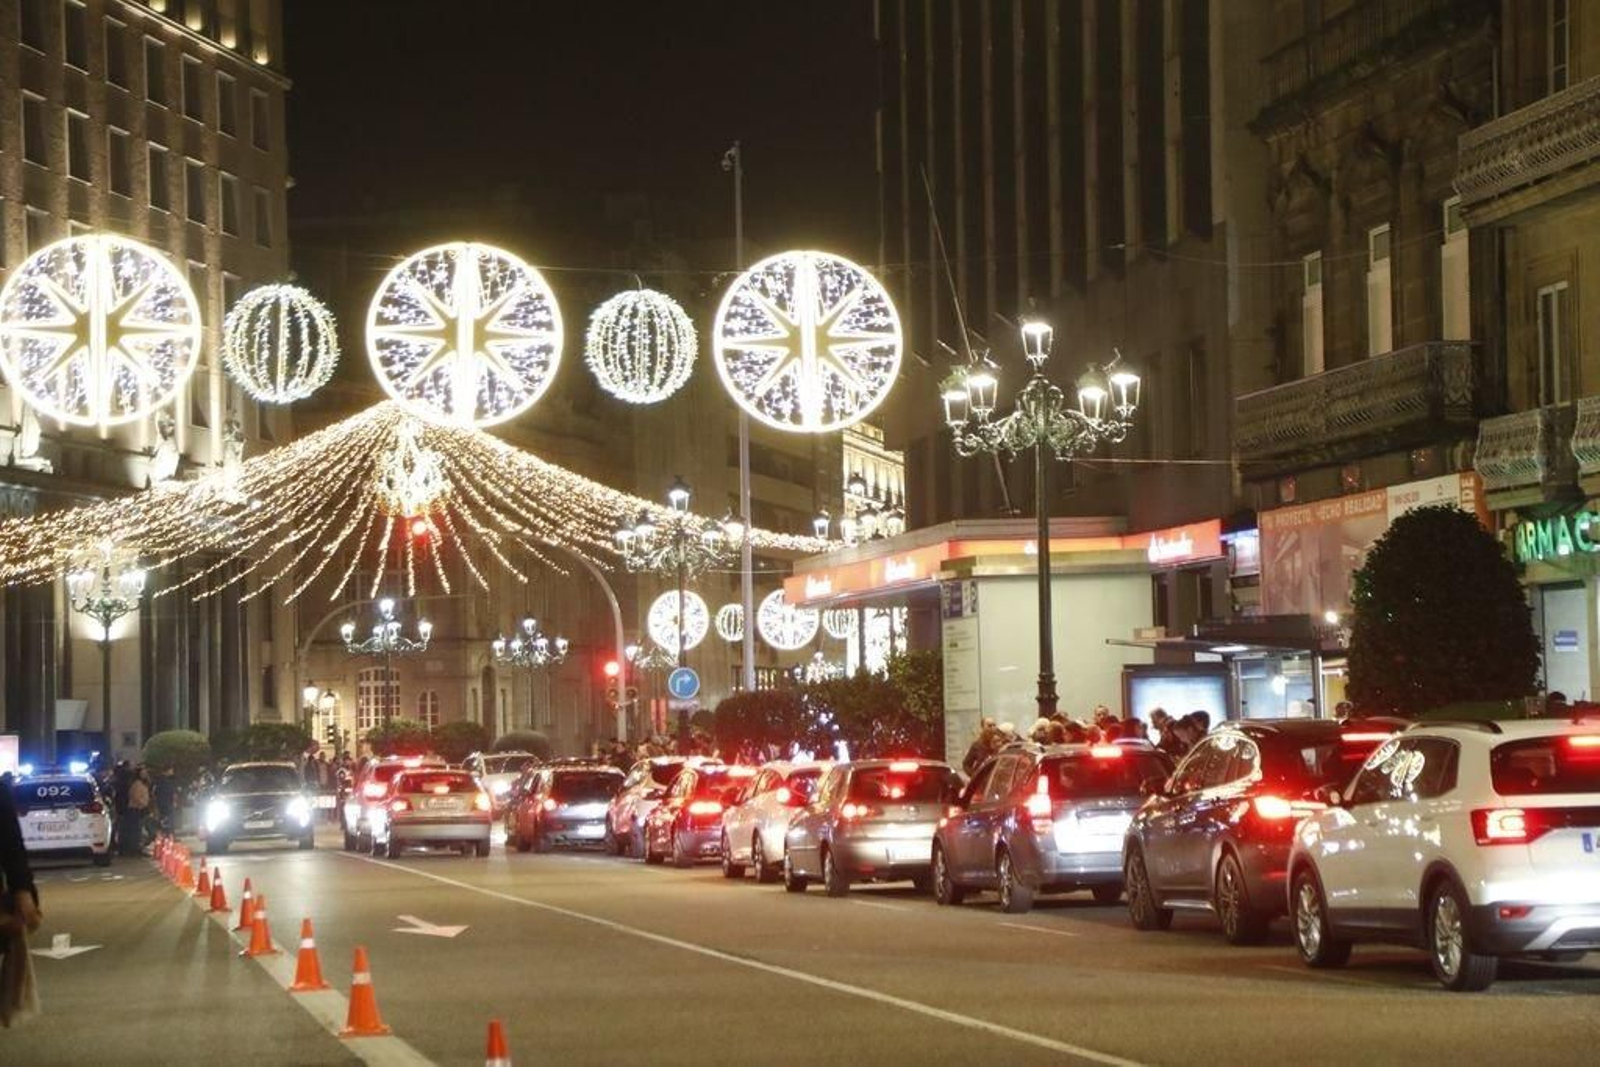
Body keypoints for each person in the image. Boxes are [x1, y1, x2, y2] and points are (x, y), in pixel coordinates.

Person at [126, 768, 152, 855]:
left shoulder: (143, 784)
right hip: (136, 809)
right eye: (143, 773)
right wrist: (143, 804)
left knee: (140, 829)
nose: (145, 774)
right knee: (137, 830)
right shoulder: (137, 784)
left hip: (140, 808)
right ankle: (136, 848)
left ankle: (138, 847)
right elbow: (135, 797)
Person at [152, 766, 178, 836]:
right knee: (169, 820)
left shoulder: (157, 780)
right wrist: (174, 801)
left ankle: (165, 834)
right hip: (167, 803)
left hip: (161, 803)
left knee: (163, 819)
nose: (172, 772)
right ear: (168, 770)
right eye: (171, 770)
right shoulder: (167, 781)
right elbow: (171, 792)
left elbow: (154, 792)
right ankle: (169, 834)